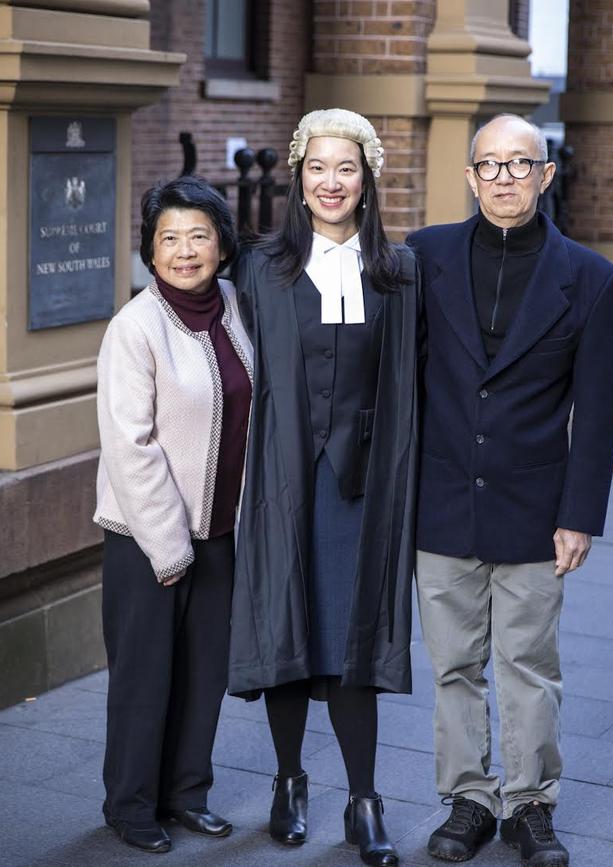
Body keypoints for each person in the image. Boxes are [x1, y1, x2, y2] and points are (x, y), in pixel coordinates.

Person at [408, 114, 613, 866]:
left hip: (536, 508)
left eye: (520, 163)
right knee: (454, 666)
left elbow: (597, 412)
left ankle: (529, 803)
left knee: (528, 665)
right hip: (439, 502)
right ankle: (468, 798)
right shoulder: (423, 255)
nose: (504, 176)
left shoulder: (592, 278)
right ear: (470, 177)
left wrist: (580, 516)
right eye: (490, 164)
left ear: (546, 174)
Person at [228, 109, 420, 867]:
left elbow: (411, 379)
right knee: (286, 626)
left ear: (366, 177)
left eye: (346, 168)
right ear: (298, 178)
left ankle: (364, 799)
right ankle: (286, 782)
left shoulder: (397, 271)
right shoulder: (261, 268)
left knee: (349, 638)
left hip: (358, 486)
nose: (330, 182)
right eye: (317, 167)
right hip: (280, 477)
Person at [94, 176, 253, 853]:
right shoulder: (135, 327)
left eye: (198, 235)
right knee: (145, 676)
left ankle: (187, 793)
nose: (185, 250)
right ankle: (130, 804)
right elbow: (130, 444)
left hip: (221, 531)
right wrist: (168, 547)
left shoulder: (236, 306)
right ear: (149, 250)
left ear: (221, 243)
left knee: (203, 674)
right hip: (148, 541)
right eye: (169, 238)